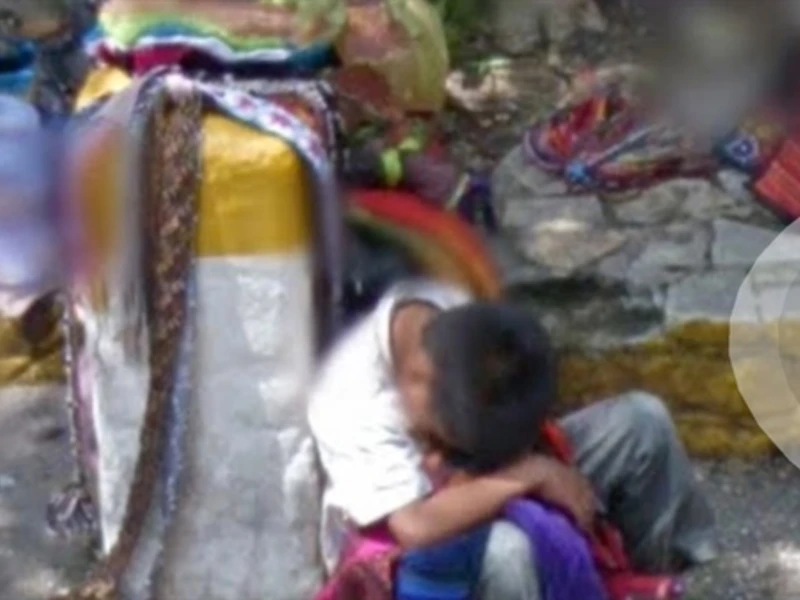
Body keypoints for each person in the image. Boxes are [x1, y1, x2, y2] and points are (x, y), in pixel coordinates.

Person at [308, 278, 717, 597]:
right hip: (410, 540)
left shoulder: (445, 311)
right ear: (416, 388)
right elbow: (415, 527)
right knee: (507, 551)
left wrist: (527, 459)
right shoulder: (348, 402)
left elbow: (512, 398)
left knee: (641, 423)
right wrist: (533, 474)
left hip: (487, 465)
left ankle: (643, 584)